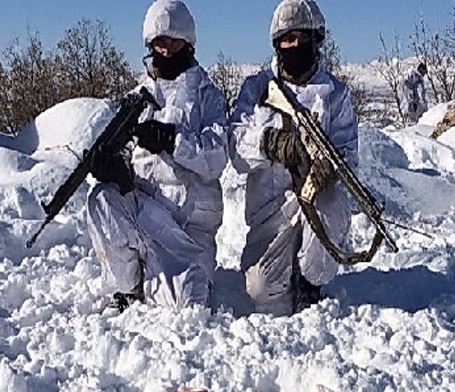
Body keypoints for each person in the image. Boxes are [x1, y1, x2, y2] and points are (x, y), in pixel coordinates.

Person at [87, 0, 227, 312]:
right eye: (159, 43)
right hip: (144, 211)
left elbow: (217, 157)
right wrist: (113, 169)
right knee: (102, 198)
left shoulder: (208, 96)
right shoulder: (137, 98)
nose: (165, 50)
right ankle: (127, 287)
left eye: (173, 42)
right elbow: (123, 151)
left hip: (186, 230)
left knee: (189, 304)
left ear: (187, 43)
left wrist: (173, 140)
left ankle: (163, 273)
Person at [229, 0, 358, 316]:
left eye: (303, 37)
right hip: (271, 215)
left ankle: (311, 283)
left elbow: (349, 156)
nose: (295, 45)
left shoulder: (335, 94)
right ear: (277, 44)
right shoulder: (257, 89)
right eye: (288, 39)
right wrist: (270, 143)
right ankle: (286, 269)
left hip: (315, 203)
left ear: (317, 40)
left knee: (333, 204)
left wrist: (328, 168)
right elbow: (234, 147)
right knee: (258, 290)